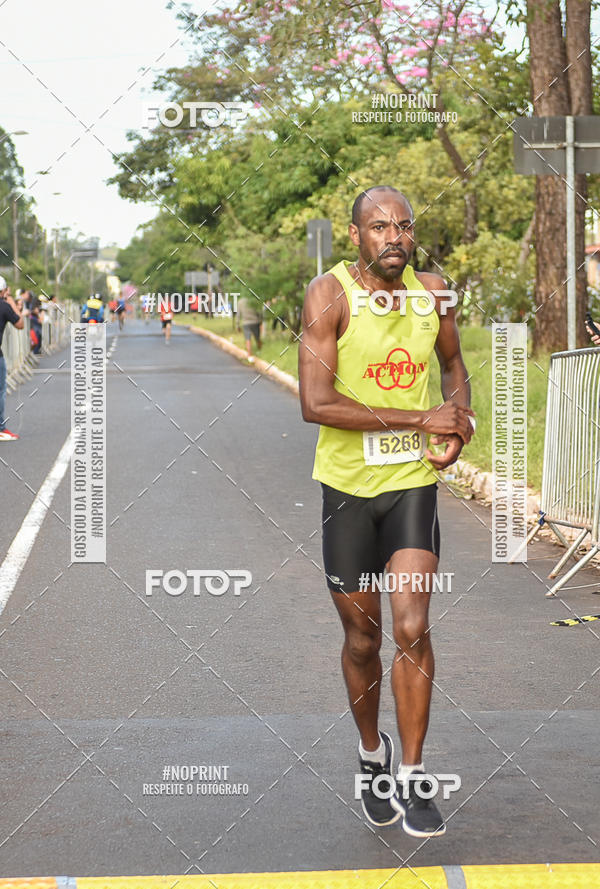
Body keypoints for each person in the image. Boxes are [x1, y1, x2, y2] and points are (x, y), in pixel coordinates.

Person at [299, 186, 474, 836]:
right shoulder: (330, 294)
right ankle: (374, 755)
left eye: (403, 225)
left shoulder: (436, 292)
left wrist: (458, 425)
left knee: (411, 623)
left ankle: (415, 771)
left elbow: (453, 365)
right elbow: (315, 403)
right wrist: (418, 415)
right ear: (356, 236)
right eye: (379, 227)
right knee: (363, 637)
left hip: (410, 486)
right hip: (345, 488)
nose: (394, 236)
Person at [0, 276, 24, 441]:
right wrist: (12, 303)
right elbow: (20, 324)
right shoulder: (4, 306)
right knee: (0, 390)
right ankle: (0, 428)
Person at [236, 295, 263, 362]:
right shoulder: (254, 301)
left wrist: (237, 325)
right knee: (257, 338)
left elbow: (238, 314)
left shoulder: (240, 302)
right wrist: (260, 321)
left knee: (248, 339)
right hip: (255, 322)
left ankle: (249, 356)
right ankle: (260, 351)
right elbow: (259, 312)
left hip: (246, 323)